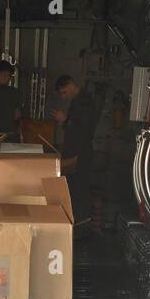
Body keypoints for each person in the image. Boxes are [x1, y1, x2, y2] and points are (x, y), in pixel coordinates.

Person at [52, 74, 99, 230]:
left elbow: (83, 129)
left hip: (80, 152)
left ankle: (81, 224)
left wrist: (65, 120)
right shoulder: (77, 101)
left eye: (64, 93)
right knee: (74, 187)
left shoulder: (84, 101)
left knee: (79, 188)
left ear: (70, 85)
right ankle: (77, 223)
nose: (64, 97)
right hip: (75, 152)